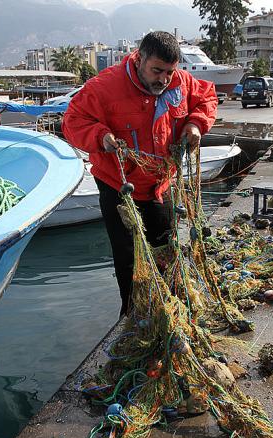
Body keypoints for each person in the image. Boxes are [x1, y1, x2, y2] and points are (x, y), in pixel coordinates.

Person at [62, 31, 217, 316]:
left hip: (160, 184)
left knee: (167, 249)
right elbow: (72, 121)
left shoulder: (180, 83)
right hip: (119, 187)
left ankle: (169, 311)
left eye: (170, 72)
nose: (164, 79)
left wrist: (195, 124)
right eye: (157, 70)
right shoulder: (105, 86)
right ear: (139, 59)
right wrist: (101, 136)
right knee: (129, 260)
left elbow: (206, 97)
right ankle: (133, 316)